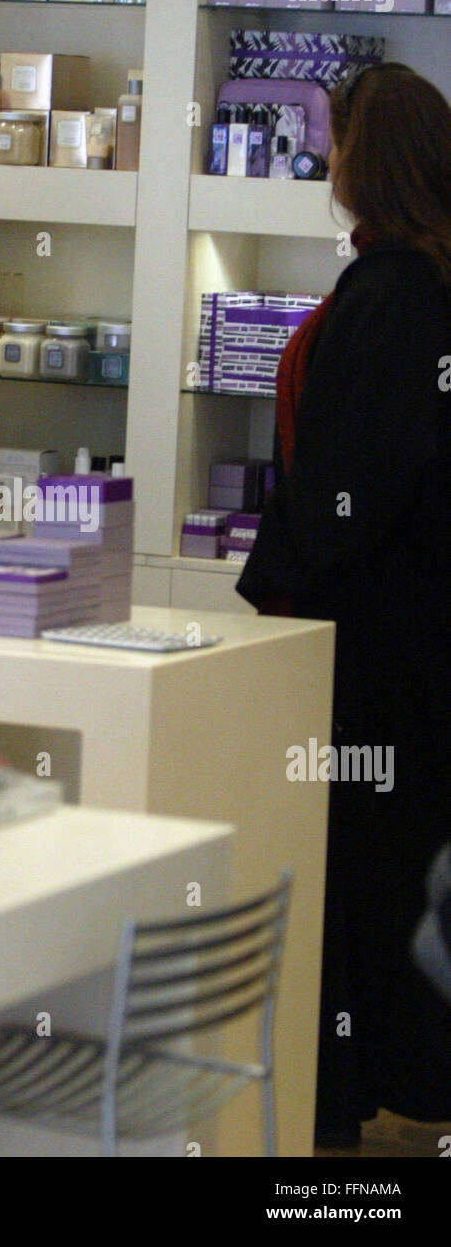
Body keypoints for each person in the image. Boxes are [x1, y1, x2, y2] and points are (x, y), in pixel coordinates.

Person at [237, 63, 451, 1147]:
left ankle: (344, 1095)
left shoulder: (391, 297)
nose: (324, 162)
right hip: (421, 634)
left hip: (371, 639)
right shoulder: (427, 282)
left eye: (335, 143)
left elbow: (348, 482)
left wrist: (284, 578)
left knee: (358, 870)